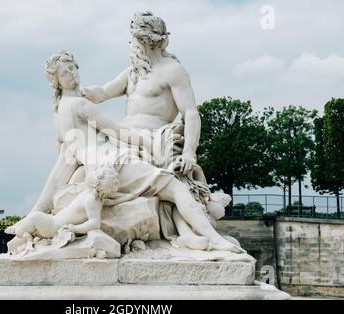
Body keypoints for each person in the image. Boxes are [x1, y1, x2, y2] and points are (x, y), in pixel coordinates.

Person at [27, 50, 244, 253]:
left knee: (165, 189)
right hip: (116, 162)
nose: (71, 75)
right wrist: (149, 145)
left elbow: (62, 162)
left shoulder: (60, 113)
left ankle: (187, 234)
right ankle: (213, 239)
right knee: (176, 187)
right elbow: (117, 131)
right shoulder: (80, 105)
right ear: (56, 81)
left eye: (72, 68)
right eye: (65, 73)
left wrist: (40, 207)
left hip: (99, 172)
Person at [5, 166, 120, 254]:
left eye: (97, 174)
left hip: (54, 226)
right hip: (53, 220)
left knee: (35, 216)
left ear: (97, 183)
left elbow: (95, 222)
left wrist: (74, 228)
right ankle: (23, 238)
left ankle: (18, 231)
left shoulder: (92, 200)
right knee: (33, 221)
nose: (93, 174)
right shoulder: (89, 193)